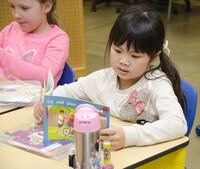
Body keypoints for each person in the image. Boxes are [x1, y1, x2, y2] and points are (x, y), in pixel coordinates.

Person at [34, 4, 187, 150]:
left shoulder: (157, 85)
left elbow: (177, 124)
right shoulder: (102, 79)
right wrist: (46, 102)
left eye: (134, 55)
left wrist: (129, 136)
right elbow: (67, 92)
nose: (123, 61)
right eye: (118, 50)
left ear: (153, 57)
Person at [0, 0, 69, 88]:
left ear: (46, 7)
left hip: (36, 100)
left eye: (24, 8)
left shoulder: (58, 39)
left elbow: (44, 77)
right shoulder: (10, 29)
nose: (16, 15)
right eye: (12, 6)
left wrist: (3, 57)